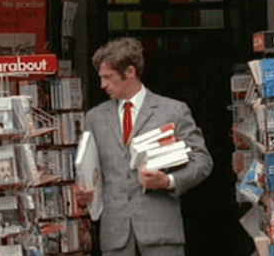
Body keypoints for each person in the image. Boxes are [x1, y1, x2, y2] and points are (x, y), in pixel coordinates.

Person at [76, 37, 212, 256]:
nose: (103, 85)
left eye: (108, 78)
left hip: (161, 231)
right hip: (115, 235)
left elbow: (203, 161)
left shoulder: (173, 111)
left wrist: (168, 181)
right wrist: (83, 193)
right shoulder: (95, 117)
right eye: (101, 78)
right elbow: (90, 168)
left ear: (130, 72)